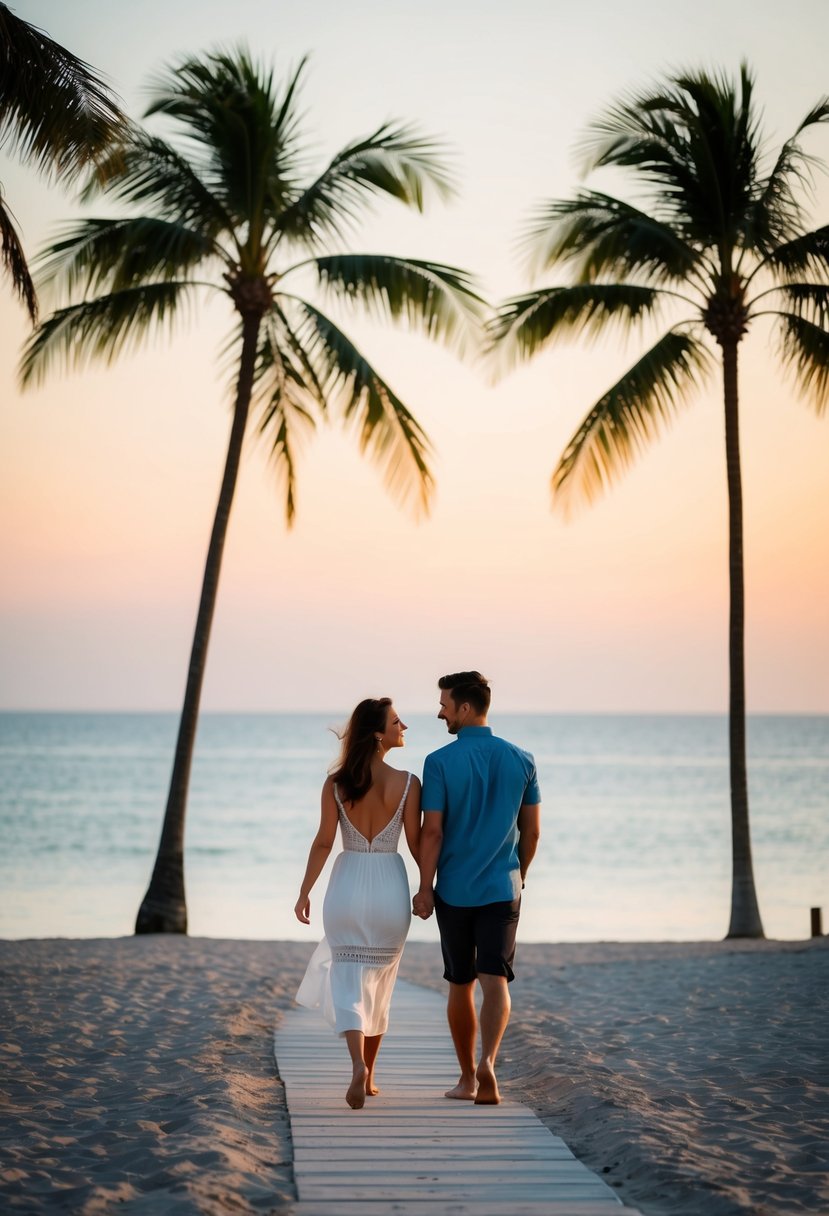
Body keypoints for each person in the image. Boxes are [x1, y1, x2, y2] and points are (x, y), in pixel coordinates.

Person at [413, 671, 541, 1106]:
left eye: (445, 704)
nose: (440, 712)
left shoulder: (439, 762)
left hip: (454, 889)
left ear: (465, 708)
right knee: (496, 979)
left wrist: (425, 888)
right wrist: (518, 874)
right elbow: (533, 832)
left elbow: (432, 832)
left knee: (460, 982)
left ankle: (467, 1078)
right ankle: (490, 1061)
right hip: (502, 888)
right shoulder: (522, 759)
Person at [295, 697, 421, 1109]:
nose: (404, 726)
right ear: (378, 733)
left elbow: (323, 842)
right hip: (390, 887)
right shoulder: (407, 783)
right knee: (381, 984)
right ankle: (370, 1074)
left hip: (347, 885)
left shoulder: (336, 783)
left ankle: (356, 1066)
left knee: (348, 979)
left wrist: (304, 891)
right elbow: (419, 845)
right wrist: (429, 888)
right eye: (397, 722)